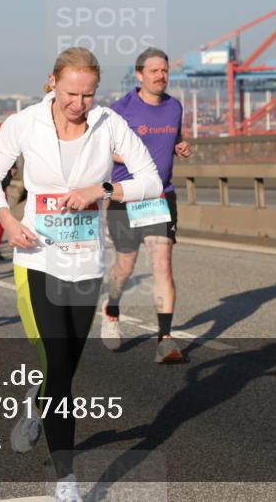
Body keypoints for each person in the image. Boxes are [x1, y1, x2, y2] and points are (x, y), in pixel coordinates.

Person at [0, 47, 161, 500]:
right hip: (37, 257)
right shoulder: (25, 123)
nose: (79, 103)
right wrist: (7, 220)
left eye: (88, 94)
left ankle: (34, 401)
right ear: (52, 83)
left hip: (83, 261)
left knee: (66, 368)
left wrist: (102, 188)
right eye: (70, 93)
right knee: (60, 369)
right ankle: (66, 479)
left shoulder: (108, 123)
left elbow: (151, 179)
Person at [102, 48, 193, 363]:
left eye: (164, 70)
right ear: (139, 75)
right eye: (153, 70)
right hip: (126, 196)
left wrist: (179, 146)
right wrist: (133, 158)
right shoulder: (120, 110)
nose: (160, 75)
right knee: (125, 267)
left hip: (160, 197)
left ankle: (165, 339)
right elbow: (101, 149)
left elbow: (171, 139)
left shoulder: (174, 107)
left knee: (162, 264)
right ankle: (111, 310)